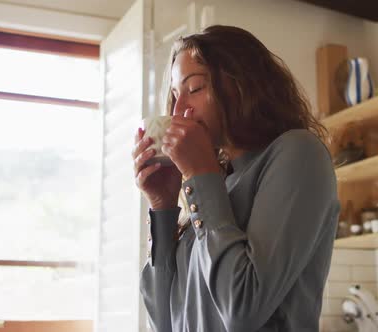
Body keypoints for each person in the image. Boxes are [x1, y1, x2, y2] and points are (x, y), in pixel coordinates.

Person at [132, 25, 340, 332]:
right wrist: (162, 207)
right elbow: (163, 322)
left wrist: (199, 176)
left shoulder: (298, 153)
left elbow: (243, 309)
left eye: (195, 88)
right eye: (175, 95)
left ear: (242, 85)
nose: (178, 110)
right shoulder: (216, 185)